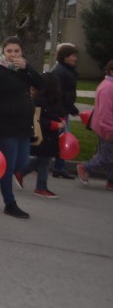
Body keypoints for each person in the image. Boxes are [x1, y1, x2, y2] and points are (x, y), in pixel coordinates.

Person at [0, 36, 44, 219]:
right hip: (5, 124)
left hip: (24, 124)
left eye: (17, 51)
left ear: (22, 52)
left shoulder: (24, 70)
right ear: (3, 52)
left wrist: (28, 68)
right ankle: (9, 203)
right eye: (9, 51)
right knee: (9, 164)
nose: (13, 55)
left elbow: (42, 85)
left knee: (21, 164)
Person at [15, 72, 64, 198]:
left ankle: (24, 174)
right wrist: (54, 124)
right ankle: (40, 186)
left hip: (48, 135)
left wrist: (59, 120)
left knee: (44, 159)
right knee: (44, 159)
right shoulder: (40, 101)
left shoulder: (48, 100)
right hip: (44, 135)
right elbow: (38, 119)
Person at [77, 60, 113, 189]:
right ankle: (85, 167)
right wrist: (110, 130)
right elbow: (106, 113)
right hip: (107, 128)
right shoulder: (108, 88)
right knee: (107, 157)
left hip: (106, 126)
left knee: (108, 155)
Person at [50, 43, 80, 179]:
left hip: (63, 110)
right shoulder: (61, 72)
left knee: (61, 139)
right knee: (60, 139)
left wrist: (70, 108)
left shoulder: (67, 70)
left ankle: (59, 166)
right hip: (59, 111)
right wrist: (64, 111)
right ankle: (55, 166)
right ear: (65, 57)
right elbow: (58, 95)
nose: (75, 58)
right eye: (73, 55)